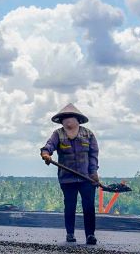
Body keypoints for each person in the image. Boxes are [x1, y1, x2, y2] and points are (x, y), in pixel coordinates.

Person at [40, 103, 99, 245]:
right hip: (67, 179)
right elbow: (49, 146)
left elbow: (93, 154)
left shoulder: (88, 134)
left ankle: (90, 235)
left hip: (86, 178)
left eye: (70, 117)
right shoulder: (58, 134)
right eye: (64, 118)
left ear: (77, 119)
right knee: (70, 205)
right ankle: (70, 233)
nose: (67, 120)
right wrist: (45, 153)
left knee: (89, 206)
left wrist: (93, 172)